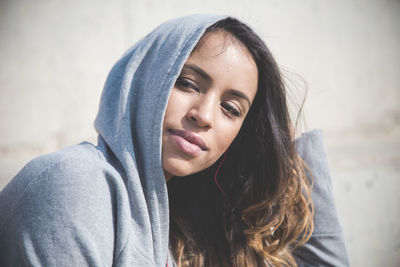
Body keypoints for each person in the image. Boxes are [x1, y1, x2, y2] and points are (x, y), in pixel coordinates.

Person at [0, 14, 349, 266]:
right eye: (187, 84)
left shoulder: (178, 235)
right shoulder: (77, 185)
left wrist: (285, 145)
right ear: (146, 78)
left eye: (230, 108)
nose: (205, 115)